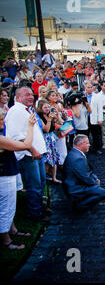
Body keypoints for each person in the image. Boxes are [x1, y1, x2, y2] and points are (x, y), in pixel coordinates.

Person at [5, 87, 50, 223]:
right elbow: (15, 137)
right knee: (34, 185)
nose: (31, 97)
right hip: (27, 156)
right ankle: (34, 213)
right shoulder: (15, 112)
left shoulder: (27, 110)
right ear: (18, 97)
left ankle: (38, 208)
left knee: (41, 182)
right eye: (27, 95)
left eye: (32, 94)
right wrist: (32, 150)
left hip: (37, 154)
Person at [0, 110, 36, 250]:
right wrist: (30, 126)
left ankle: (12, 229)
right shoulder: (1, 140)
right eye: (2, 120)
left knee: (9, 207)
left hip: (7, 174)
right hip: (4, 177)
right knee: (5, 208)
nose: (4, 122)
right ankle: (6, 240)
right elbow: (26, 145)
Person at [62, 134, 105, 212]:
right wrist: (96, 182)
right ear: (80, 144)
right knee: (103, 193)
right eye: (87, 143)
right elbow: (85, 177)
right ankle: (80, 205)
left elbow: (87, 172)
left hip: (75, 183)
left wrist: (95, 178)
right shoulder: (78, 158)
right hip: (75, 188)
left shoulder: (75, 153)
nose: (89, 145)